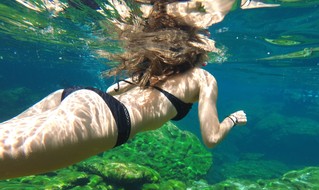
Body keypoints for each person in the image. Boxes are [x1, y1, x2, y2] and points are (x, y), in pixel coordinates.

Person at [0, 0, 250, 180]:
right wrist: (232, 119)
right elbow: (212, 138)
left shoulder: (157, 69)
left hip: (81, 98)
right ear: (198, 51)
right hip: (107, 121)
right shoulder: (204, 79)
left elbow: (113, 89)